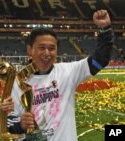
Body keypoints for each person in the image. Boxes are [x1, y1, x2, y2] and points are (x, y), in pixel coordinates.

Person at [8, 9, 114, 141]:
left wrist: (105, 30)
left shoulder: (68, 72)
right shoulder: (17, 82)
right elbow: (8, 122)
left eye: (52, 48)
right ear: (30, 49)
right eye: (42, 47)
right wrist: (20, 125)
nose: (47, 53)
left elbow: (100, 60)